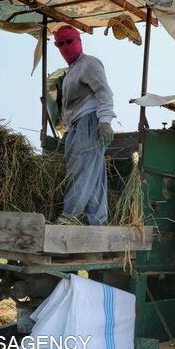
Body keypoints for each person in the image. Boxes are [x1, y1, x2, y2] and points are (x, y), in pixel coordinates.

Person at [54, 25, 115, 226]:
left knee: (81, 172)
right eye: (60, 44)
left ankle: (69, 217)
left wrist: (105, 121)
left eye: (69, 41)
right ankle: (98, 222)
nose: (65, 46)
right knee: (93, 177)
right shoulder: (70, 72)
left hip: (88, 123)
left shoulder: (89, 63)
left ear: (78, 41)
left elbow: (104, 92)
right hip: (75, 127)